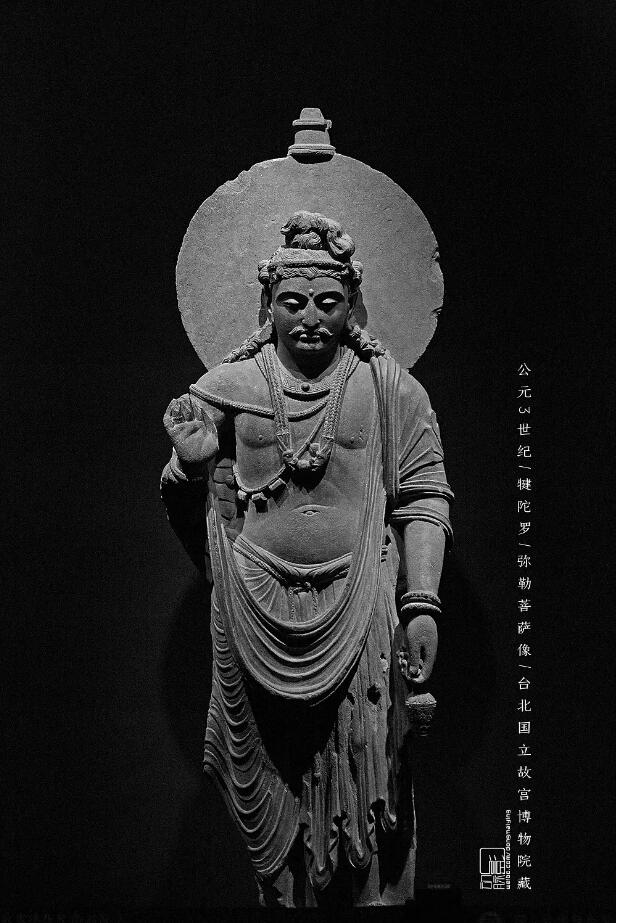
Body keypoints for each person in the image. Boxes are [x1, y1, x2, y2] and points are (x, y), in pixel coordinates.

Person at [161, 212, 453, 907]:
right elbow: (189, 512)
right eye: (293, 302)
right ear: (268, 305)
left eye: (328, 301)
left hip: (361, 607)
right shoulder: (227, 387)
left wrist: (421, 603)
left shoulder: (391, 389)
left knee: (371, 778)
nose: (311, 319)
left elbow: (423, 496)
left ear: (352, 303)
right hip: (256, 609)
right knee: (277, 790)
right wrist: (191, 468)